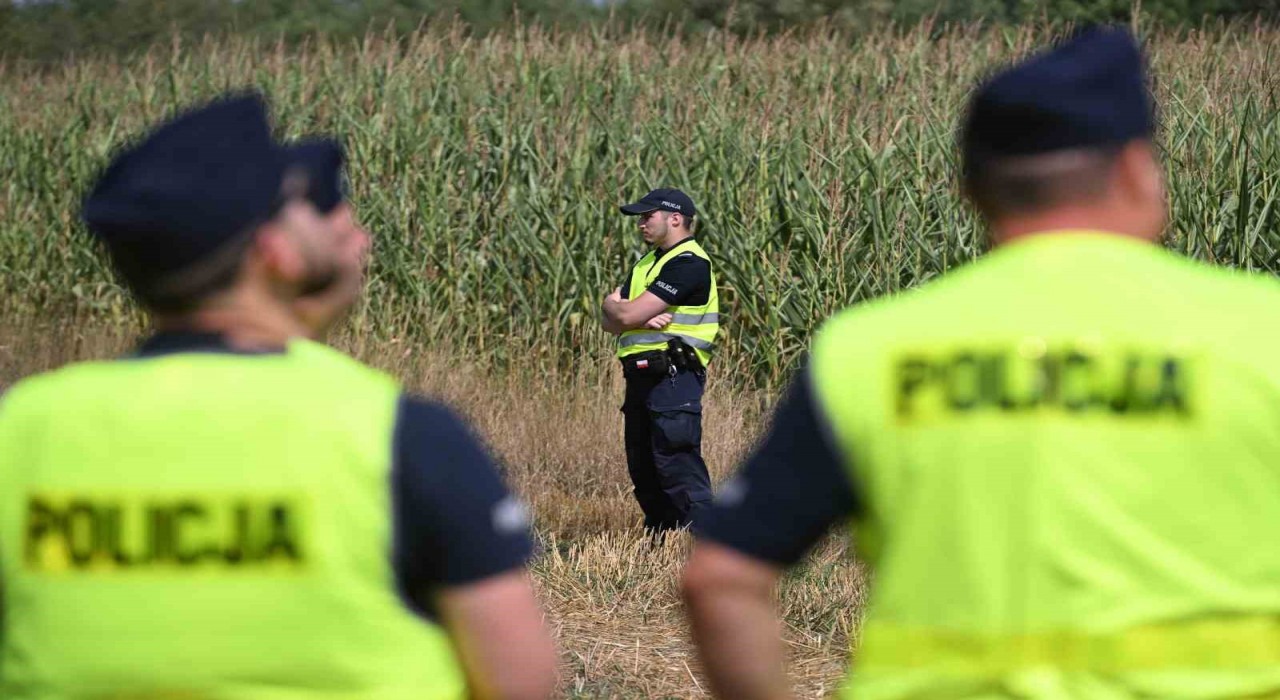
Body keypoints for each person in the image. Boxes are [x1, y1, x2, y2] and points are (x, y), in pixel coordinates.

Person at [683, 27, 1280, 699]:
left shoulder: (870, 351)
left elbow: (720, 579)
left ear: (972, 192)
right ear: (1137, 170)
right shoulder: (1264, 331)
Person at [0, 93, 558, 700]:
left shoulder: (24, 424)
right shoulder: (397, 433)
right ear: (277, 253)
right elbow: (517, 677)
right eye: (310, 212)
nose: (351, 231)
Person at [600, 188, 720, 533]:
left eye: (647, 216)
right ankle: (661, 542)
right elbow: (610, 319)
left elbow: (622, 313)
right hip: (639, 377)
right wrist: (623, 312)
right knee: (644, 467)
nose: (640, 224)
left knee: (677, 465)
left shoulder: (689, 263)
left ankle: (704, 543)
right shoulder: (647, 263)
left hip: (674, 375)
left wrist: (625, 312)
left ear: (675, 218)